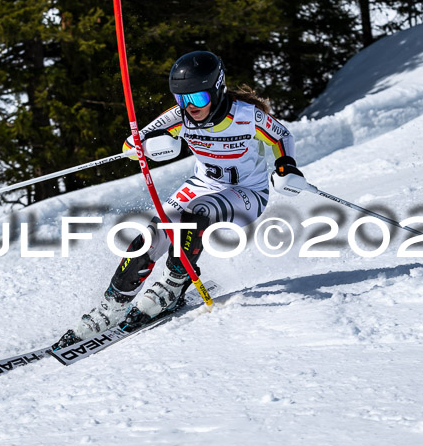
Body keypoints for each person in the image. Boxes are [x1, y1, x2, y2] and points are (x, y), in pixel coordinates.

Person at [53, 50, 304, 349]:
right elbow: (134, 140)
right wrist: (138, 146)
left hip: (246, 192)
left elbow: (281, 136)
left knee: (198, 212)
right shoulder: (180, 116)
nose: (190, 108)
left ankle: (174, 283)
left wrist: (286, 165)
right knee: (152, 235)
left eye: (198, 99)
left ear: (217, 88)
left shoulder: (246, 116)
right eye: (182, 99)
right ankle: (113, 305)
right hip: (202, 183)